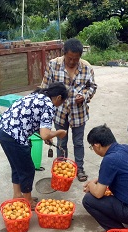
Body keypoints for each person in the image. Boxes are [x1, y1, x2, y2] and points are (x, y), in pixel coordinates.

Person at [0, 83, 69, 208]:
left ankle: (18, 195)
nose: (60, 105)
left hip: (2, 129)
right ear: (58, 97)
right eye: (61, 102)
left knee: (17, 165)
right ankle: (28, 200)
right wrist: (58, 133)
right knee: (27, 168)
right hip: (14, 135)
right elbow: (46, 134)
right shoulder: (48, 105)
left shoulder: (37, 95)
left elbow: (30, 119)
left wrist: (44, 135)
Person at [40, 38, 97, 182]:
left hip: (78, 113)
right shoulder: (53, 65)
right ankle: (61, 168)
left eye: (76, 59)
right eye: (70, 58)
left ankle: (80, 168)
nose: (72, 62)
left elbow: (92, 87)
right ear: (64, 53)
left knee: (78, 142)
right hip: (59, 113)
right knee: (61, 141)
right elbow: (45, 88)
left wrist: (84, 96)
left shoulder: (87, 68)